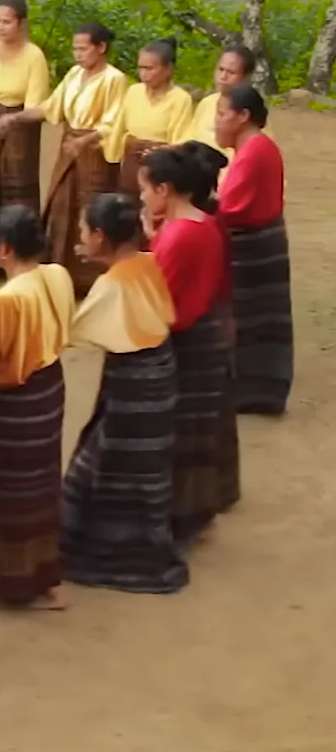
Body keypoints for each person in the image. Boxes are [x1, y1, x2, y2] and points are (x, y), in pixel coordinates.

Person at [60, 193, 186, 593]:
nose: (80, 237)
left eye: (85, 230)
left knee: (107, 463)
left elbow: (75, 333)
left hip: (134, 382)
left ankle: (114, 555)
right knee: (141, 466)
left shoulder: (111, 285)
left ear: (99, 236)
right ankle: (145, 549)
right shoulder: (146, 262)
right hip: (160, 371)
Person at [0, 205, 74, 609]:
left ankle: (14, 579)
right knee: (38, 482)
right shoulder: (56, 274)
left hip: (18, 399)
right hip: (49, 386)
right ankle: (35, 572)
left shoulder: (6, 301)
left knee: (9, 486)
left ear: (3, 250)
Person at [138, 145, 238, 544]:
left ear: (164, 189)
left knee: (174, 433)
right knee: (194, 431)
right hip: (202, 334)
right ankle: (196, 513)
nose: (142, 197)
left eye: (145, 189)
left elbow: (155, 295)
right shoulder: (204, 224)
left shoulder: (179, 236)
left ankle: (174, 516)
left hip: (181, 340)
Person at [0, 22, 128, 298]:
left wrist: (84, 141)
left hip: (95, 151)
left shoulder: (115, 79)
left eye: (83, 48)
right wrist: (15, 117)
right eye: (75, 49)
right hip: (70, 145)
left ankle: (92, 280)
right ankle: (60, 274)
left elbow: (114, 122)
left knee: (92, 210)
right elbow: (51, 107)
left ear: (101, 48)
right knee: (61, 206)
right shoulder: (74, 74)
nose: (78, 54)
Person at [212, 85, 290, 415]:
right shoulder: (257, 147)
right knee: (258, 320)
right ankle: (258, 392)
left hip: (253, 244)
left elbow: (229, 208)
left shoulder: (254, 152)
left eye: (221, 114)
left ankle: (250, 392)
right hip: (264, 239)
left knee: (245, 318)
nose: (215, 122)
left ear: (243, 117)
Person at [0, 0, 51, 284]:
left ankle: (22, 262)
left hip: (20, 122)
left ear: (21, 24)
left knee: (16, 189)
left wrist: (13, 119)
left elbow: (36, 104)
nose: (1, 27)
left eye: (7, 21)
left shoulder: (34, 56)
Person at [103, 39, 194, 191]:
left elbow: (182, 139)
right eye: (140, 68)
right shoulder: (134, 91)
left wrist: (161, 151)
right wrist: (113, 152)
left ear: (168, 69)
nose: (143, 74)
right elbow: (119, 127)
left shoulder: (181, 99)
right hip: (132, 159)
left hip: (160, 163)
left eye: (150, 68)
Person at [181, 45, 260, 164]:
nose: (223, 77)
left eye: (231, 72)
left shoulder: (250, 113)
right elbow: (192, 139)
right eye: (221, 69)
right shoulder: (207, 103)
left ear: (245, 77)